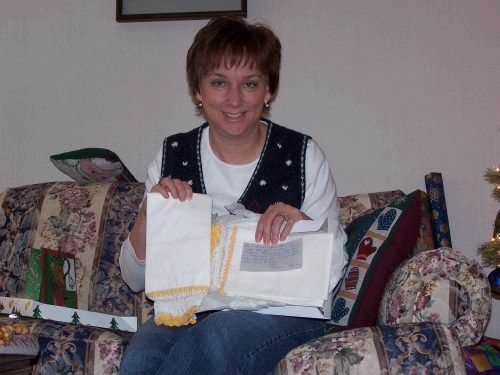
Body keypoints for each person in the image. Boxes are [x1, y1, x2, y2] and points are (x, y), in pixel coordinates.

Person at [119, 16, 347, 375]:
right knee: (140, 360)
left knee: (217, 336)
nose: (234, 99)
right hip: (189, 310)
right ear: (198, 90)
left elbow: (335, 268)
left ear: (268, 90)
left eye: (250, 84)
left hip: (282, 311)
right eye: (219, 83)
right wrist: (149, 216)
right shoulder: (171, 156)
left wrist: (305, 226)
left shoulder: (303, 155)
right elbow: (134, 280)